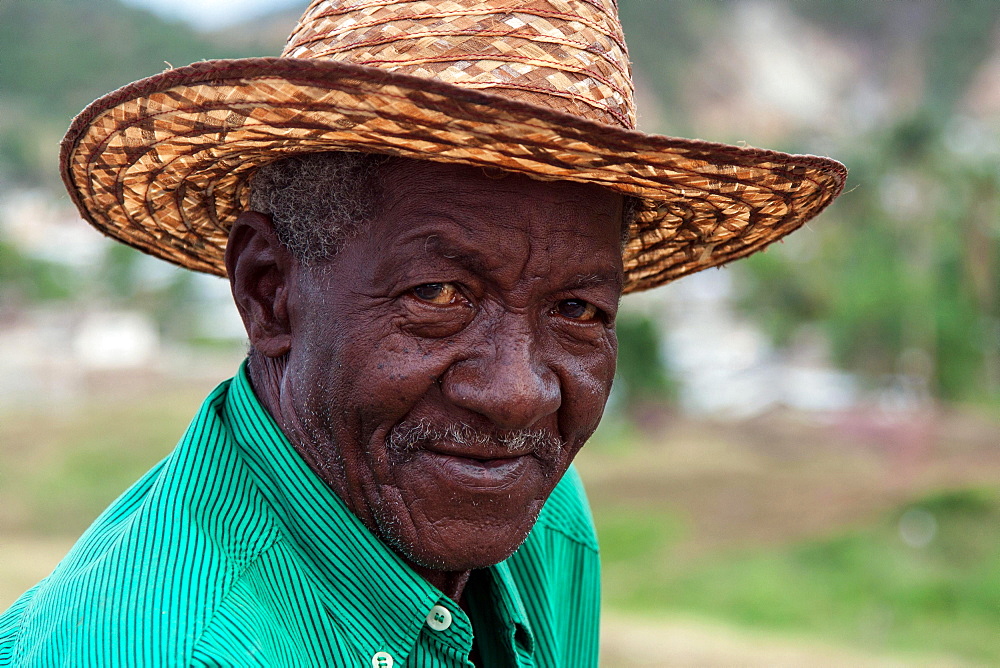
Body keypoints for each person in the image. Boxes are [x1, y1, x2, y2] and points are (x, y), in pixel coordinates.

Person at [0, 0, 846, 665]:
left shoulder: (538, 522)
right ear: (270, 292)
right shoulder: (164, 650)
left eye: (578, 311)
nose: (517, 395)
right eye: (439, 293)